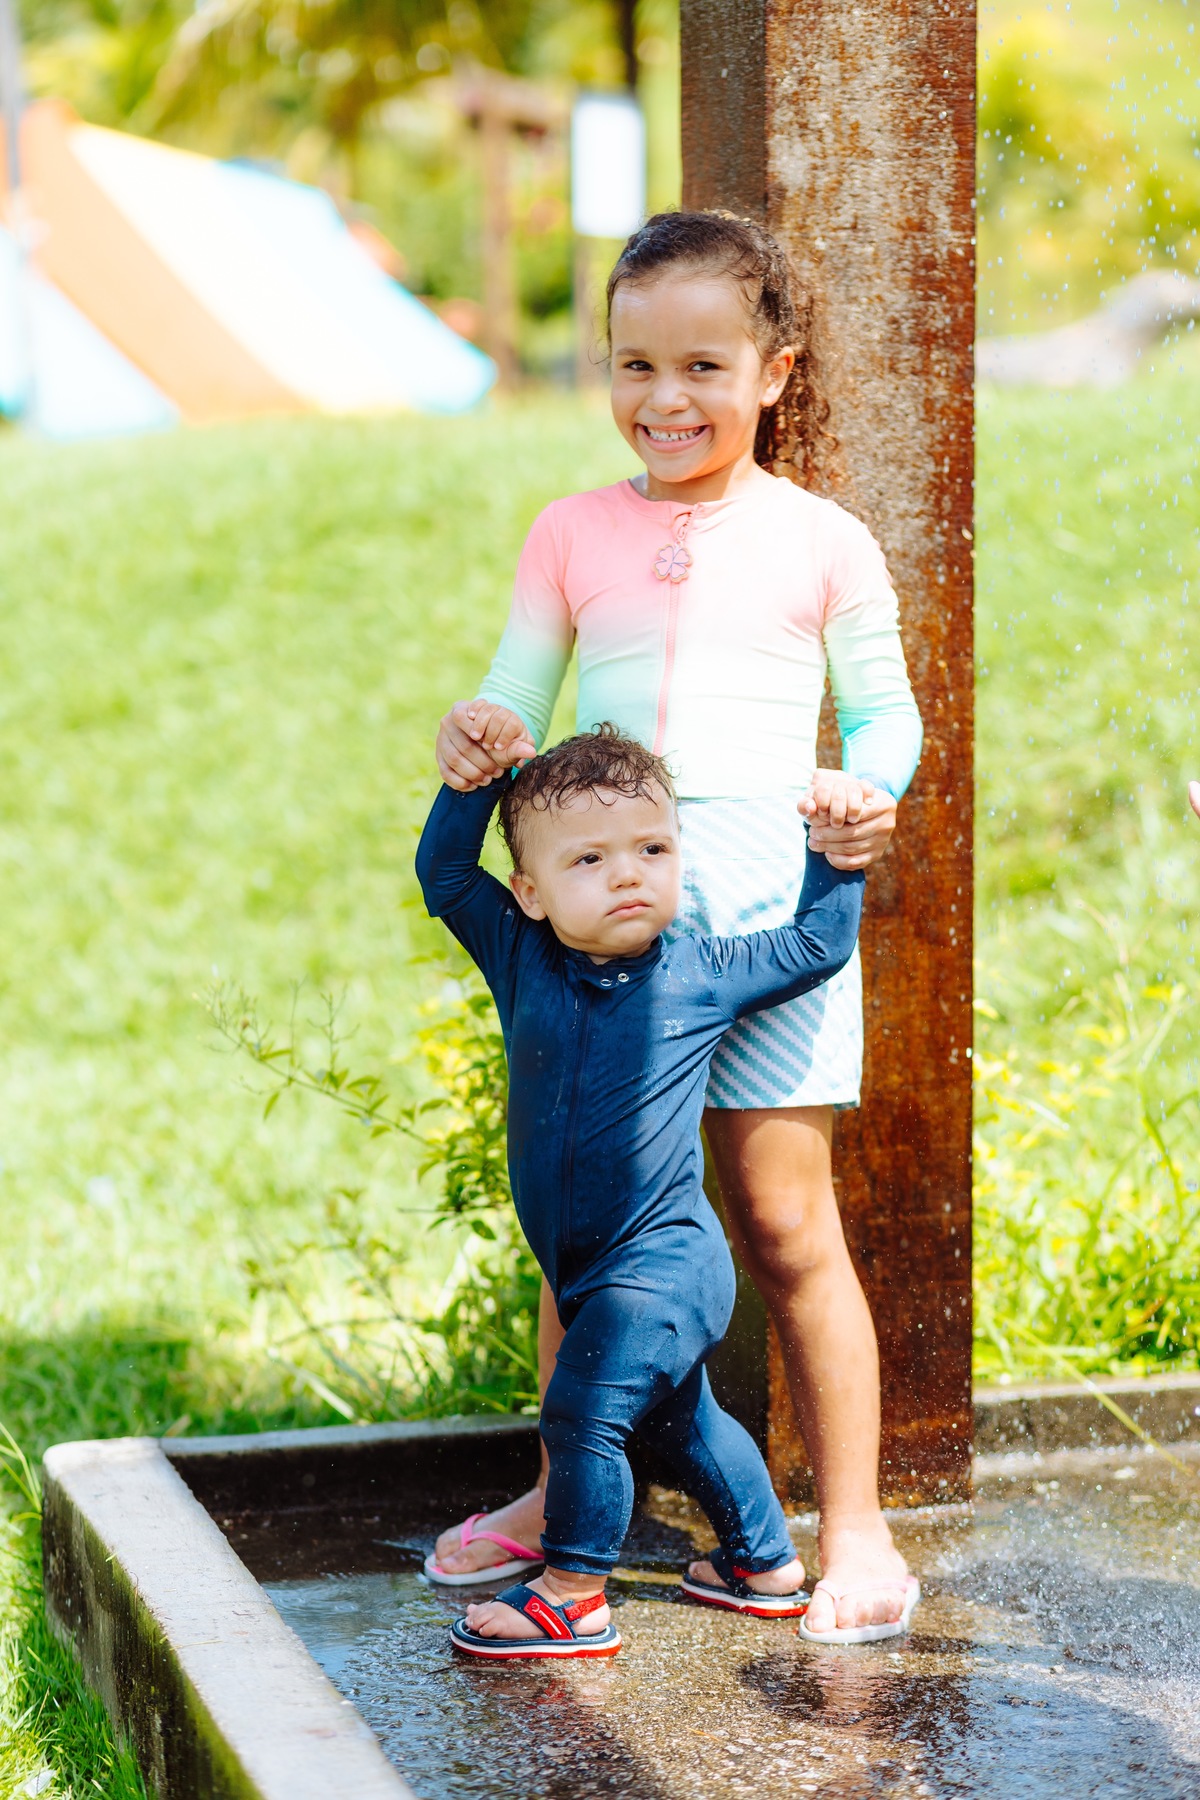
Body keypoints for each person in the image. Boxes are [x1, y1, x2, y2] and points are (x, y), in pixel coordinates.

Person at [428, 211, 923, 1642]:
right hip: (599, 927)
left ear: (774, 369)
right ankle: (556, 1493)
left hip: (765, 909)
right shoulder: (572, 530)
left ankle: (859, 1531)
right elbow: (520, 686)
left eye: (704, 363)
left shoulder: (822, 539)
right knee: (582, 1230)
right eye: (634, 363)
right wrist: (487, 727)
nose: (665, 397)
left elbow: (885, 715)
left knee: (782, 1217)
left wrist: (863, 789)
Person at [417, 727, 916, 1658]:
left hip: (663, 1265)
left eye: (653, 849)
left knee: (578, 1411)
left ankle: (572, 1593)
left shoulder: (698, 973)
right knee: (682, 1421)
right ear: (529, 891)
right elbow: (445, 873)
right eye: (590, 859)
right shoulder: (518, 955)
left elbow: (814, 943)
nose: (628, 875)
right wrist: (474, 788)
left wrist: (831, 855)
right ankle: (762, 1564)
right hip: (594, 1269)